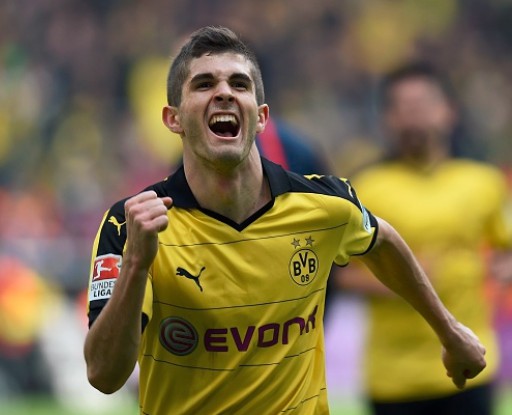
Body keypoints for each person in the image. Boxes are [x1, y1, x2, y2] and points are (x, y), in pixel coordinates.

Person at [83, 27, 486, 414]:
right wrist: (136, 265)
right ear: (173, 119)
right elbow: (104, 375)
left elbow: (381, 240)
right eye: (204, 84)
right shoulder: (131, 224)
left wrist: (450, 332)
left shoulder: (324, 204)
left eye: (239, 84)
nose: (224, 92)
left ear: (260, 117)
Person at [335, 62, 512, 415]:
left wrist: (501, 267)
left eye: (423, 103)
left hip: (474, 363)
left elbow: (504, 250)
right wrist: (406, 280)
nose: (414, 115)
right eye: (403, 106)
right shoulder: (365, 189)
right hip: (395, 379)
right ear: (387, 118)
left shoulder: (483, 183)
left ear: (449, 111)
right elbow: (339, 275)